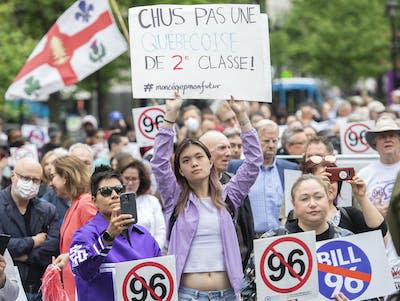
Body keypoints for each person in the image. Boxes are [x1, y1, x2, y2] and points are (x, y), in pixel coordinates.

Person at [151, 93, 263, 300]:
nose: (194, 163)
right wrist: (171, 115)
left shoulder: (229, 194)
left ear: (210, 162)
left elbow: (254, 162)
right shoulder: (174, 198)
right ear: (180, 170)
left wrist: (242, 115)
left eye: (199, 157)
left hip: (229, 294)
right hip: (188, 295)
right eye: (185, 160)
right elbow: (158, 163)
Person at [241, 174, 352, 301]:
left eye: (318, 197)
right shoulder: (271, 241)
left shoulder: (347, 240)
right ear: (293, 204)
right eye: (304, 199)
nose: (312, 204)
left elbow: (372, 294)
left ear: (328, 199)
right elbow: (246, 292)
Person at [70, 165, 162, 301]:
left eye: (119, 190)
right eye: (106, 192)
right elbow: (81, 270)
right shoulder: (84, 236)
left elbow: (161, 273)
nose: (114, 195)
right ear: (94, 201)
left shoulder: (143, 234)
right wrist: (108, 237)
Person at [298, 136, 387, 236]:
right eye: (322, 180)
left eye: (332, 180)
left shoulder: (350, 214)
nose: (328, 185)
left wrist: (361, 197)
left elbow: (380, 230)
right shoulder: (298, 217)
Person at [0, 158, 59, 300]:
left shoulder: (47, 209)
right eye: (25, 178)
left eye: (36, 180)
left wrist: (25, 256)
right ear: (13, 176)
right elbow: (4, 245)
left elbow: (52, 246)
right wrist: (33, 241)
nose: (30, 184)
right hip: (8, 288)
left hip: (40, 286)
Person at [199, 130, 255, 270]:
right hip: (203, 269)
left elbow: (246, 225)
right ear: (204, 152)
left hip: (237, 266)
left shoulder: (234, 184)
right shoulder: (190, 188)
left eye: (229, 148)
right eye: (222, 148)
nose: (229, 153)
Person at [49, 156, 97, 301]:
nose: (50, 183)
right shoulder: (76, 203)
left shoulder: (86, 203)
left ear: (65, 176)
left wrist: (69, 256)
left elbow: (98, 243)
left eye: (53, 176)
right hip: (74, 286)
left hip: (84, 288)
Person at [246, 120, 299, 236]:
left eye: (274, 141)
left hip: (283, 236)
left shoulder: (291, 169)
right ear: (255, 140)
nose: (271, 145)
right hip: (252, 237)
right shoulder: (240, 169)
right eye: (266, 141)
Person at [118, 159, 166, 248]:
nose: (130, 183)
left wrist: (154, 249)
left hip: (151, 253)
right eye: (127, 178)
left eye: (134, 179)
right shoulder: (115, 202)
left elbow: (160, 231)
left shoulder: (152, 201)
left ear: (141, 180)